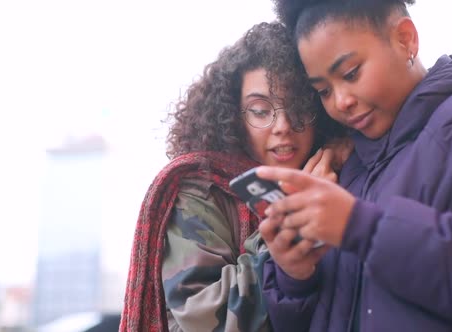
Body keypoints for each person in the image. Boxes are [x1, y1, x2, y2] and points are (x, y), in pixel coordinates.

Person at [257, 1, 452, 331]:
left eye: (350, 74)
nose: (340, 101)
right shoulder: (347, 168)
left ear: (406, 39)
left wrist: (361, 227)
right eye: (323, 90)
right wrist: (295, 278)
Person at [119, 21, 346, 332]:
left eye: (297, 107)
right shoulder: (200, 190)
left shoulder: (338, 174)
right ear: (232, 117)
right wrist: (287, 215)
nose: (282, 125)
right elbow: (207, 318)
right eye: (260, 110)